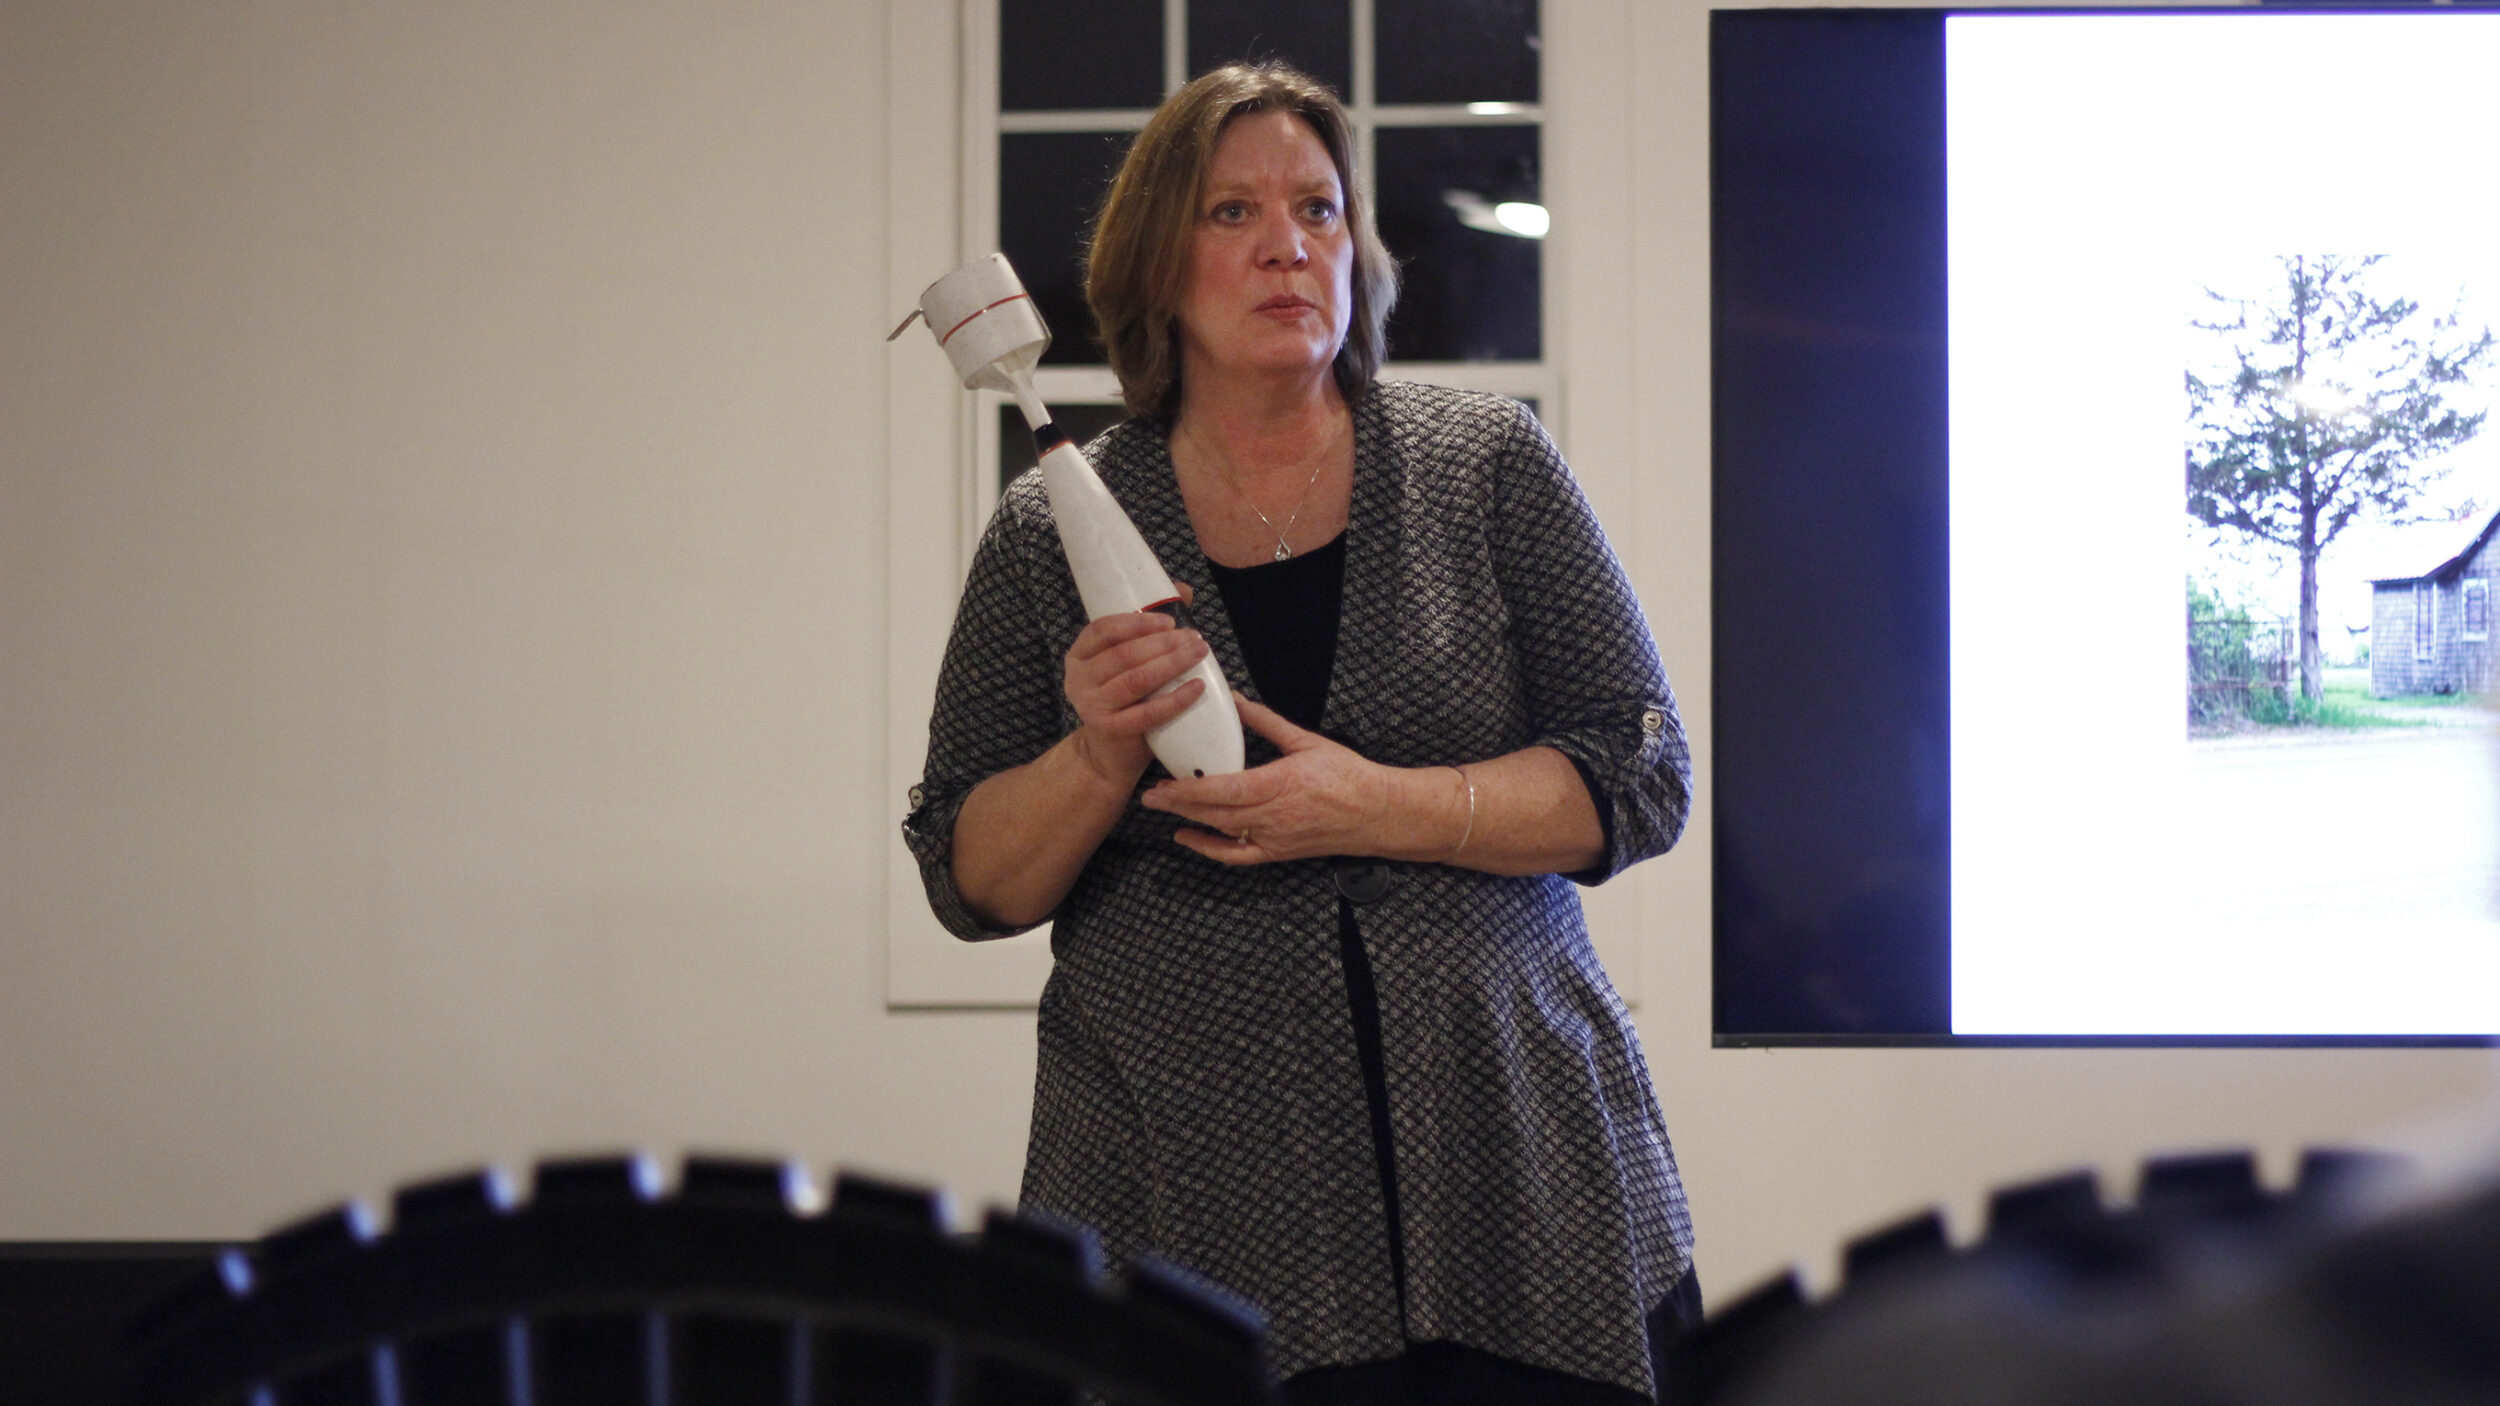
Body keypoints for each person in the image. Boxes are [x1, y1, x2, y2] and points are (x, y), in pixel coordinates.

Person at [903, 60, 1698, 1404]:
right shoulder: (1051, 532)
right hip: (1183, 1194)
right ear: (1159, 263)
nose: (1287, 244)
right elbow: (970, 880)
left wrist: (1381, 804)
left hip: (1516, 1182)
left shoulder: (1485, 463)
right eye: (1232, 214)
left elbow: (1640, 770)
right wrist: (1098, 753)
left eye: (1320, 210)